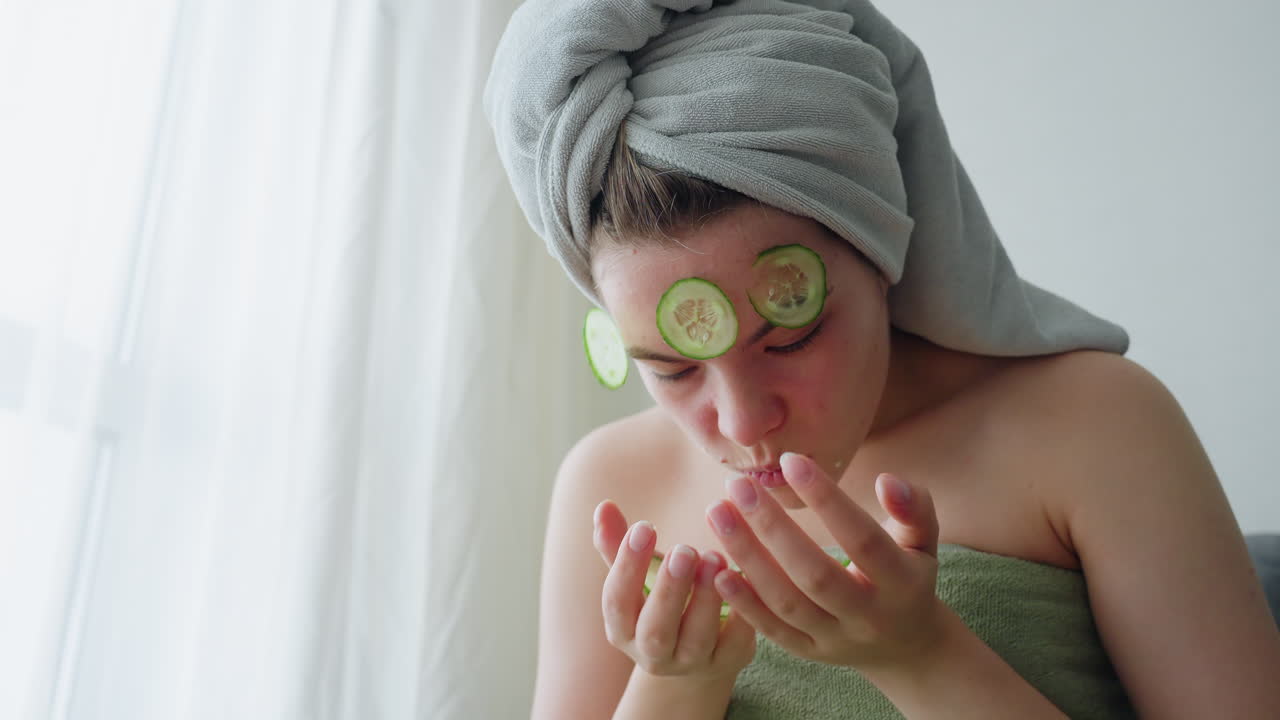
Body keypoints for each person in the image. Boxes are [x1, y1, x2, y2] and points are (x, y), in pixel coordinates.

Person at [483, 1, 1280, 718]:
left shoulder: (1100, 423)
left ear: (886, 251)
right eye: (672, 367)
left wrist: (923, 656)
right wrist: (678, 681)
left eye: (791, 336)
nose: (741, 420)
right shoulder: (609, 488)